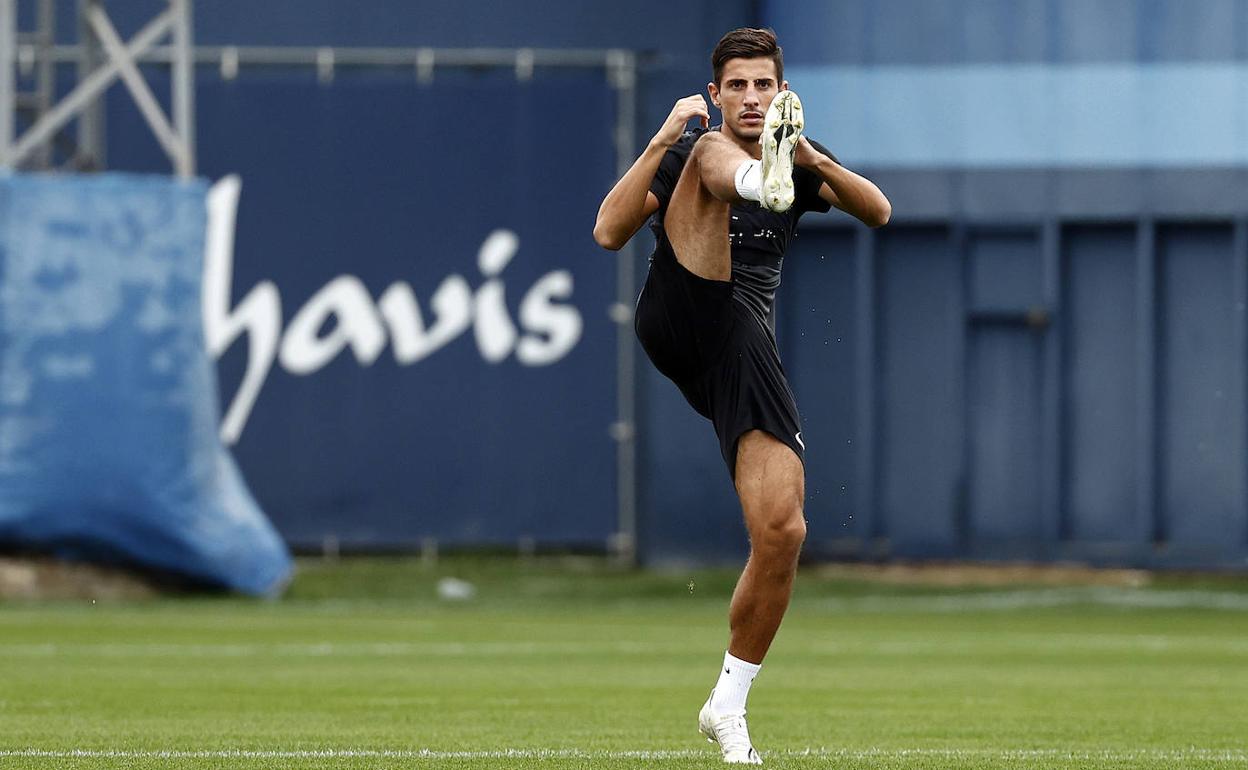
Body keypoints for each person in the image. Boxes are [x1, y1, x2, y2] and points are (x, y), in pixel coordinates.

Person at [593, 27, 891, 765]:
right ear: (716, 92)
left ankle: (727, 706)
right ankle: (759, 182)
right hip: (682, 309)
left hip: (740, 347)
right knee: (706, 159)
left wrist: (809, 157)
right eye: (739, 86)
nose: (752, 97)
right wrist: (663, 136)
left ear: (781, 92)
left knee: (783, 531)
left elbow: (879, 211)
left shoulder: (803, 150)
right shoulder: (693, 143)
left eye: (765, 86)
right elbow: (607, 231)